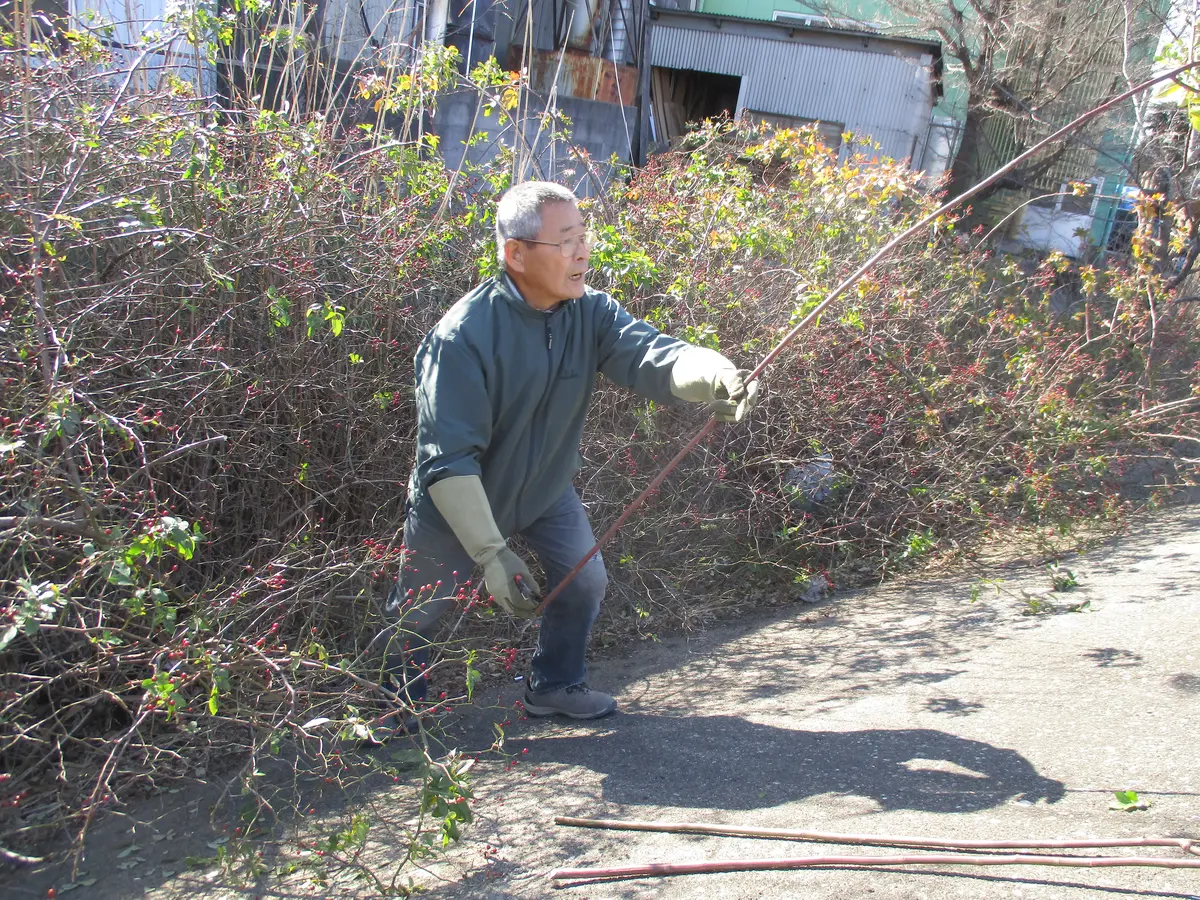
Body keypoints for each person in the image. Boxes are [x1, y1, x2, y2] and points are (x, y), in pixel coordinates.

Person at [380, 181, 758, 727]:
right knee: (421, 607)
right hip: (457, 503)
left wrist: (717, 376)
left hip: (544, 490)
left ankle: (554, 685)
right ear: (516, 253)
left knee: (583, 580)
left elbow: (654, 356)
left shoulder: (591, 313)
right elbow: (448, 459)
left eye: (584, 237)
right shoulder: (461, 338)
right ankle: (395, 707)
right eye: (565, 241)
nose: (581, 252)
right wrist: (490, 554)